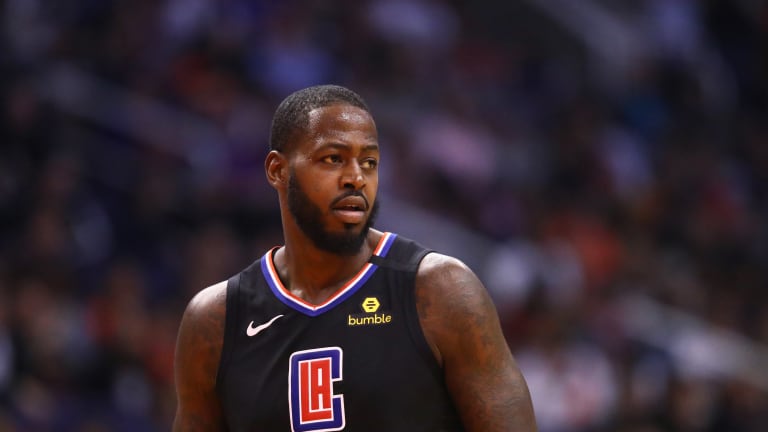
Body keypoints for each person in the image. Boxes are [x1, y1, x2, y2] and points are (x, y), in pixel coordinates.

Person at [172, 84, 537, 432]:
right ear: (277, 170)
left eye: (369, 162)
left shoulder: (440, 291)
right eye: (333, 159)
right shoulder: (216, 321)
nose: (356, 178)